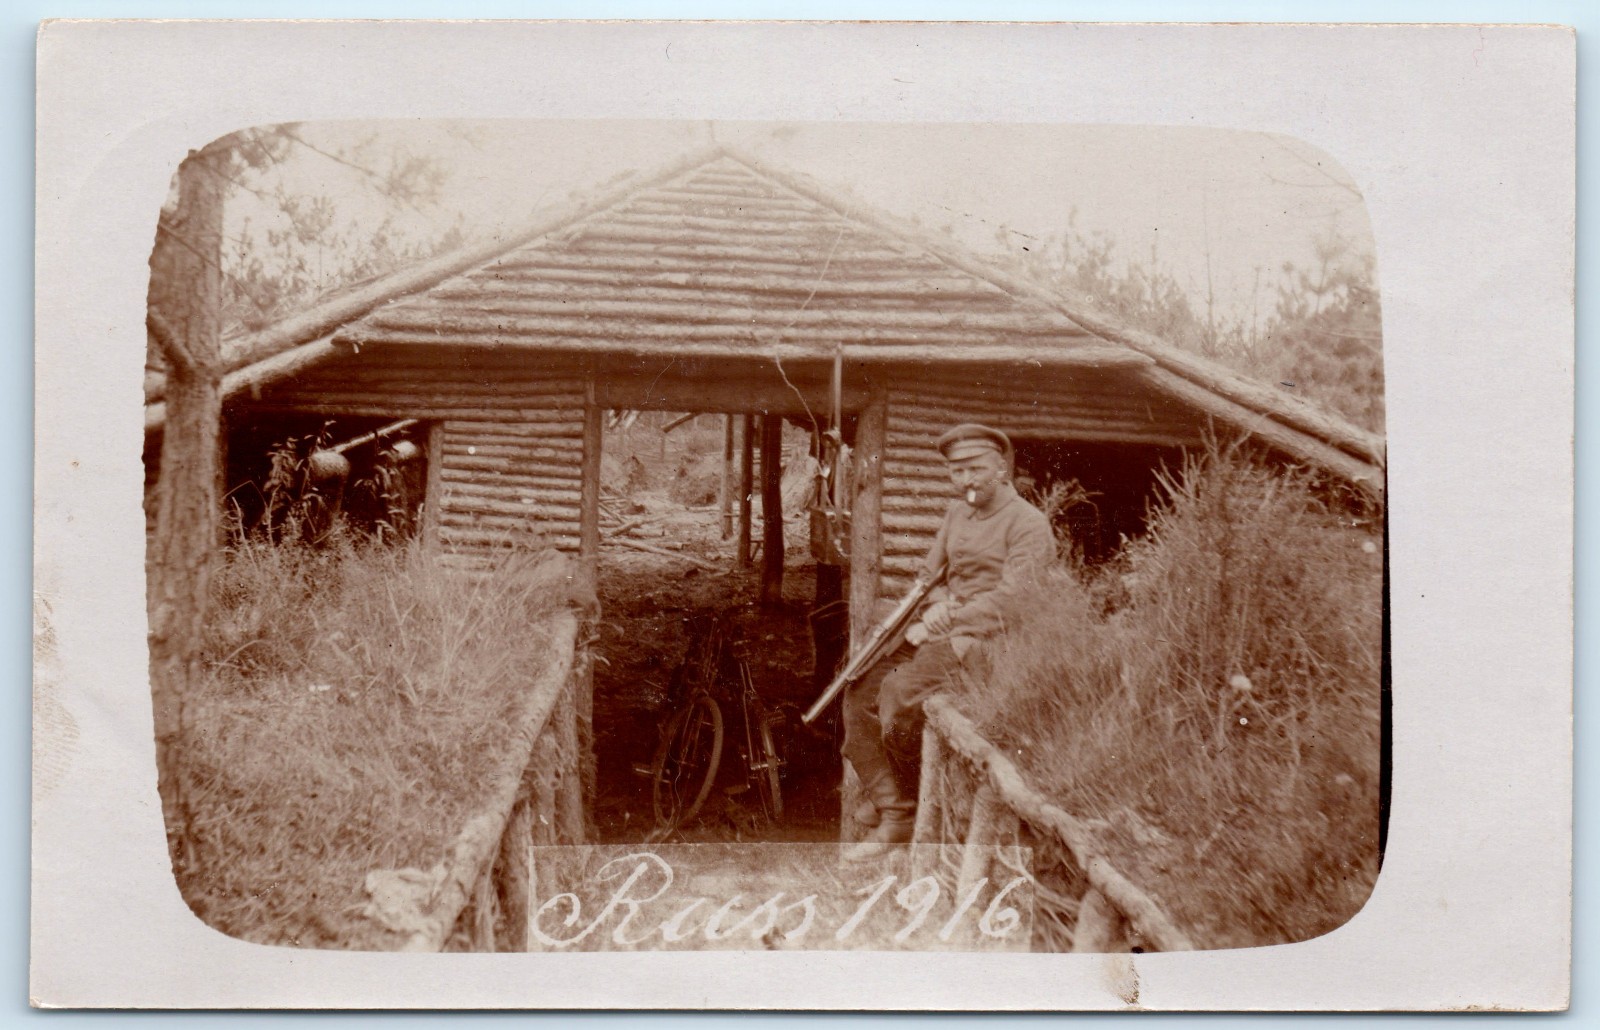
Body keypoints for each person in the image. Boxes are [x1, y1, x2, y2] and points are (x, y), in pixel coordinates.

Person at [841, 422, 1055, 850]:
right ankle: (894, 806)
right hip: (943, 628)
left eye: (975, 470)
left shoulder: (1028, 524)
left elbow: (1014, 600)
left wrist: (952, 615)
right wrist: (937, 603)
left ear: (1001, 468)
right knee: (858, 689)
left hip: (987, 638)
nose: (966, 481)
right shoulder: (956, 514)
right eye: (957, 472)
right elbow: (929, 575)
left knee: (899, 694)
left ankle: (909, 802)